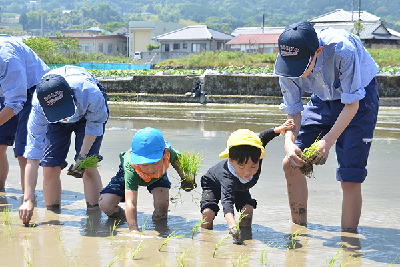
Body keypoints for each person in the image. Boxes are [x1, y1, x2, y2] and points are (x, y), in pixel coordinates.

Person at [274, 21, 379, 231]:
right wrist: (288, 141)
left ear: (318, 52)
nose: (296, 75)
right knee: (291, 163)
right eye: (291, 69)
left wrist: (327, 141)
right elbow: (293, 113)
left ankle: (349, 241)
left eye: (302, 67)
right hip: (323, 97)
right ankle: (299, 231)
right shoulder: (286, 63)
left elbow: (352, 105)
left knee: (350, 176)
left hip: (358, 97)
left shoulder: (342, 50)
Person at [18, 65, 109, 225]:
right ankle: (52, 219)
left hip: (86, 115)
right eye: (61, 116)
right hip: (52, 119)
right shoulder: (39, 107)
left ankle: (95, 219)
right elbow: (32, 155)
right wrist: (28, 199)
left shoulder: (91, 94)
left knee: (88, 167)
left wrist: (81, 158)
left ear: (71, 94)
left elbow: (95, 125)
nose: (65, 119)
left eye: (65, 112)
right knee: (50, 166)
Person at [200, 120, 295, 238]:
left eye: (253, 166)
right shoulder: (227, 176)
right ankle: (205, 239)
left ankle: (245, 236)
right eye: (241, 167)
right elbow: (227, 201)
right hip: (213, 184)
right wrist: (232, 224)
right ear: (230, 160)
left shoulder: (255, 153)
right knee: (208, 213)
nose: (247, 172)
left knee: (248, 209)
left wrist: (280, 129)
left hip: (239, 187)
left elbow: (262, 137)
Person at [98, 127, 187, 232]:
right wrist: (134, 230)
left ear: (164, 154)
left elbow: (178, 161)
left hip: (158, 175)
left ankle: (161, 227)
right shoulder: (130, 167)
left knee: (162, 205)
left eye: (154, 163)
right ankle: (123, 217)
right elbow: (131, 202)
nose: (150, 169)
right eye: (145, 165)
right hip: (133, 172)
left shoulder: (168, 153)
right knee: (105, 204)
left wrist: (185, 178)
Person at [0, 35, 49, 190]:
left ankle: (27, 200)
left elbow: (16, 102)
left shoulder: (7, 59)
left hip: (34, 88)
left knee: (24, 150)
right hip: (8, 89)